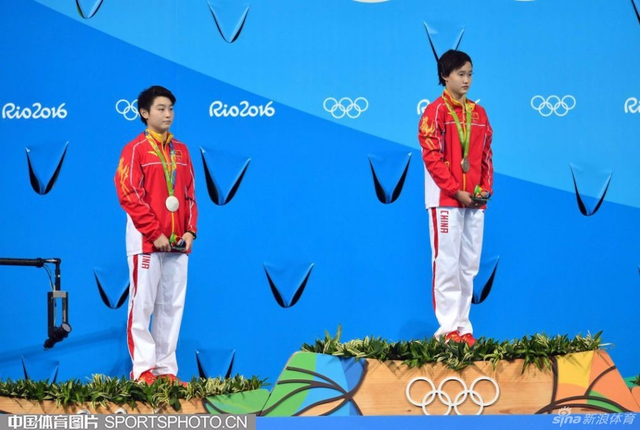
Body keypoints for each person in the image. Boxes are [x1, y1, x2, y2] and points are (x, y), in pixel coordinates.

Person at [114, 85, 198, 385]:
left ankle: (165, 371)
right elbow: (129, 194)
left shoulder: (182, 151)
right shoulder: (135, 149)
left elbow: (189, 194)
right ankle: (143, 371)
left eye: (171, 108)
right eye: (161, 108)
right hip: (147, 244)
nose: (167, 114)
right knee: (143, 306)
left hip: (177, 244)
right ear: (144, 113)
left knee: (172, 307)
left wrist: (190, 230)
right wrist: (154, 232)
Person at [417, 50, 493, 347]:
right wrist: (454, 190)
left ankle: (463, 328)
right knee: (447, 263)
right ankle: (447, 330)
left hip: (474, 202)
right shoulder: (434, 112)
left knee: (469, 266)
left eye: (470, 74)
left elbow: (486, 155)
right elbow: (432, 158)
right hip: (445, 201)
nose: (466, 80)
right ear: (444, 76)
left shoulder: (480, 114)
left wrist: (484, 189)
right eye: (460, 74)